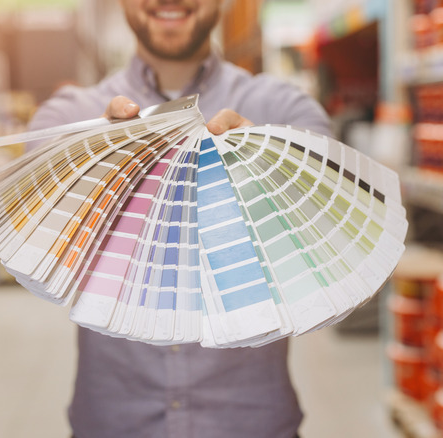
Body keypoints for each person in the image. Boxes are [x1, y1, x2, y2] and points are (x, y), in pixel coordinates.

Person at [27, 1, 332, 437]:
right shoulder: (67, 118)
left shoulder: (286, 111)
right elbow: (35, 229)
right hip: (113, 422)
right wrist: (93, 163)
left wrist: (263, 167)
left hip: (251, 422)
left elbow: (335, 242)